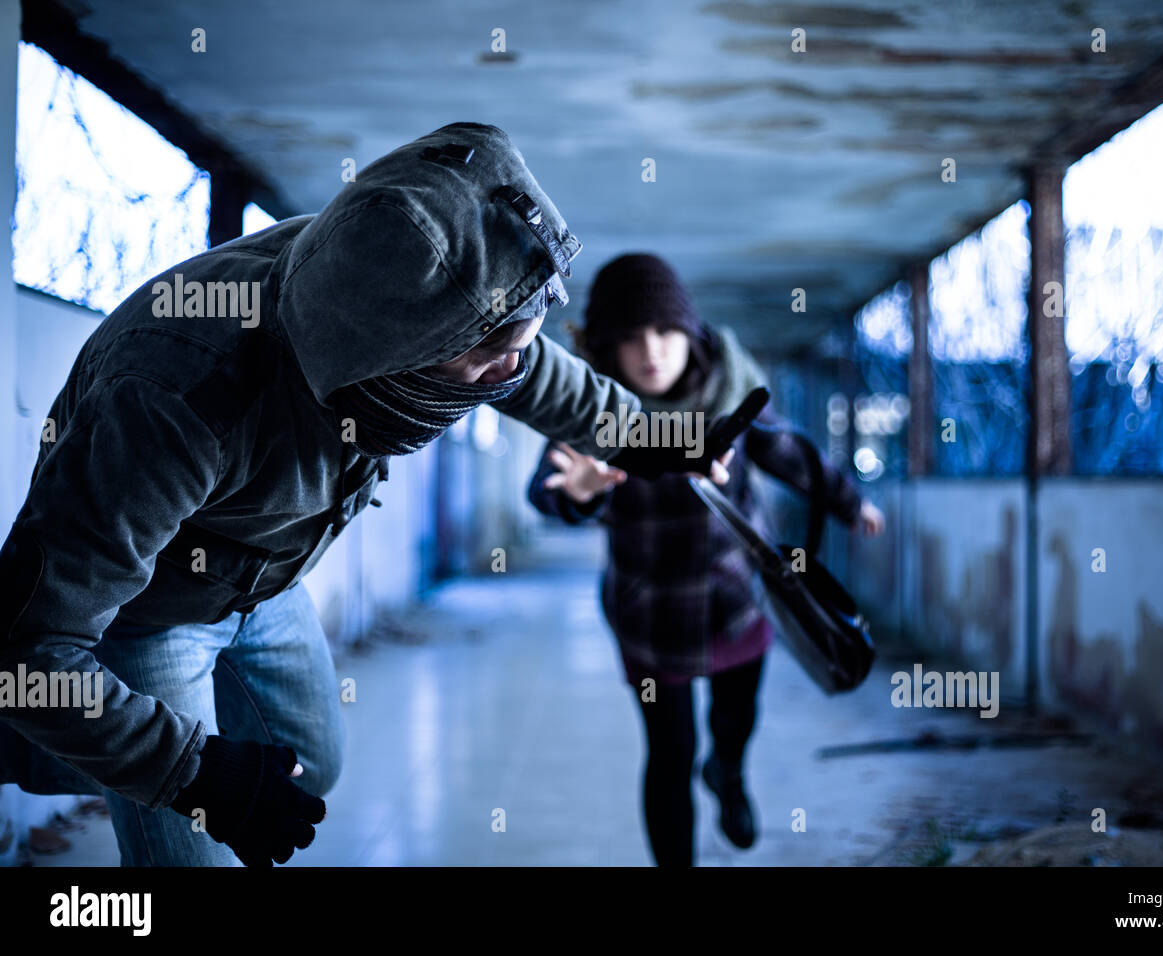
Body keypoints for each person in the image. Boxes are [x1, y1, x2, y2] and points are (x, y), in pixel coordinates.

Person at [0, 125, 743, 867]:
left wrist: (655, 437)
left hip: (262, 578)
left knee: (308, 766)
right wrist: (192, 773)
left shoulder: (382, 285)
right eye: (493, 358)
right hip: (150, 611)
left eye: (520, 342)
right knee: (191, 839)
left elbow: (535, 370)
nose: (511, 373)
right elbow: (29, 651)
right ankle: (80, 745)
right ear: (397, 355)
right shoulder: (173, 399)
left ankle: (104, 746)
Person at [529, 253, 884, 867]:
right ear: (605, 345)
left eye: (664, 331)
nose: (651, 350)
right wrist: (578, 494)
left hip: (736, 599)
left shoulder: (730, 385)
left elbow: (785, 453)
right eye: (631, 336)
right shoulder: (590, 406)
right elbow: (547, 490)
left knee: (734, 721)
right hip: (649, 613)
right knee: (669, 753)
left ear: (688, 333)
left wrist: (850, 503)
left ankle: (728, 774)